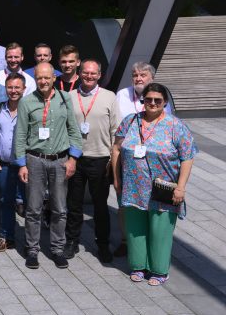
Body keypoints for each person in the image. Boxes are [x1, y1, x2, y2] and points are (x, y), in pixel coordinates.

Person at [110, 83, 196, 286]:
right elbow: (116, 149)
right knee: (135, 229)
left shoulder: (176, 126)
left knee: (160, 232)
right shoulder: (130, 121)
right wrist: (116, 178)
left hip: (162, 190)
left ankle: (159, 270)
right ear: (143, 100)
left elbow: (187, 157)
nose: (152, 103)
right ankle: (138, 266)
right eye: (148, 99)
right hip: (133, 187)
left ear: (164, 102)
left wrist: (181, 187)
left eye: (158, 100)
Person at [13, 63, 83, 269]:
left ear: (54, 78)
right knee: (33, 209)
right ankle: (32, 249)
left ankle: (57, 249)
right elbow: (20, 135)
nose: (43, 81)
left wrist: (73, 159)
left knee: (60, 208)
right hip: (35, 160)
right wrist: (21, 164)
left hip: (60, 160)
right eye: (39, 78)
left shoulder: (64, 98)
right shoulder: (26, 102)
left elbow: (74, 130)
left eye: (46, 77)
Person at [68, 60, 121, 263]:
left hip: (100, 159)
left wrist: (113, 158)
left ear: (99, 75)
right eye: (85, 72)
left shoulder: (109, 96)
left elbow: (116, 130)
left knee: (100, 206)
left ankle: (103, 244)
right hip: (75, 157)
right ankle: (72, 241)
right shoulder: (70, 96)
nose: (89, 76)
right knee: (74, 204)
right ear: (80, 73)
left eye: (93, 73)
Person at [0, 74, 26, 252]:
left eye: (17, 87)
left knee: (29, 203)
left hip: (25, 166)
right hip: (3, 164)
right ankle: (7, 237)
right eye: (10, 87)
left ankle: (30, 241)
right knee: (5, 201)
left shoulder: (28, 109)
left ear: (24, 89)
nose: (13, 91)